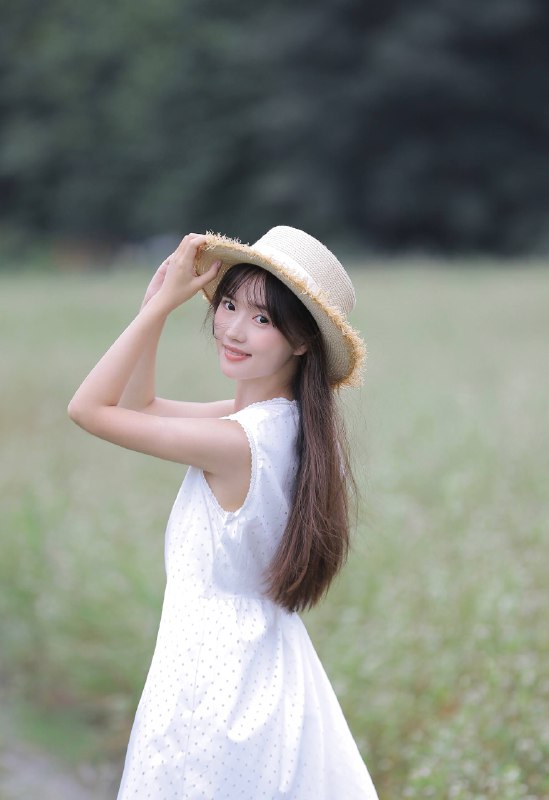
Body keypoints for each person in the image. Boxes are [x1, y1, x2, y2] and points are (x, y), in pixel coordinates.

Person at [68, 226, 378, 800]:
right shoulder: (288, 423)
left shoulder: (236, 442)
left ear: (302, 341)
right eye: (230, 305)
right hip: (266, 667)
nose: (233, 329)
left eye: (262, 319)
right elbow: (139, 405)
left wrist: (160, 307)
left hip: (212, 680)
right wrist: (153, 308)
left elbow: (88, 408)